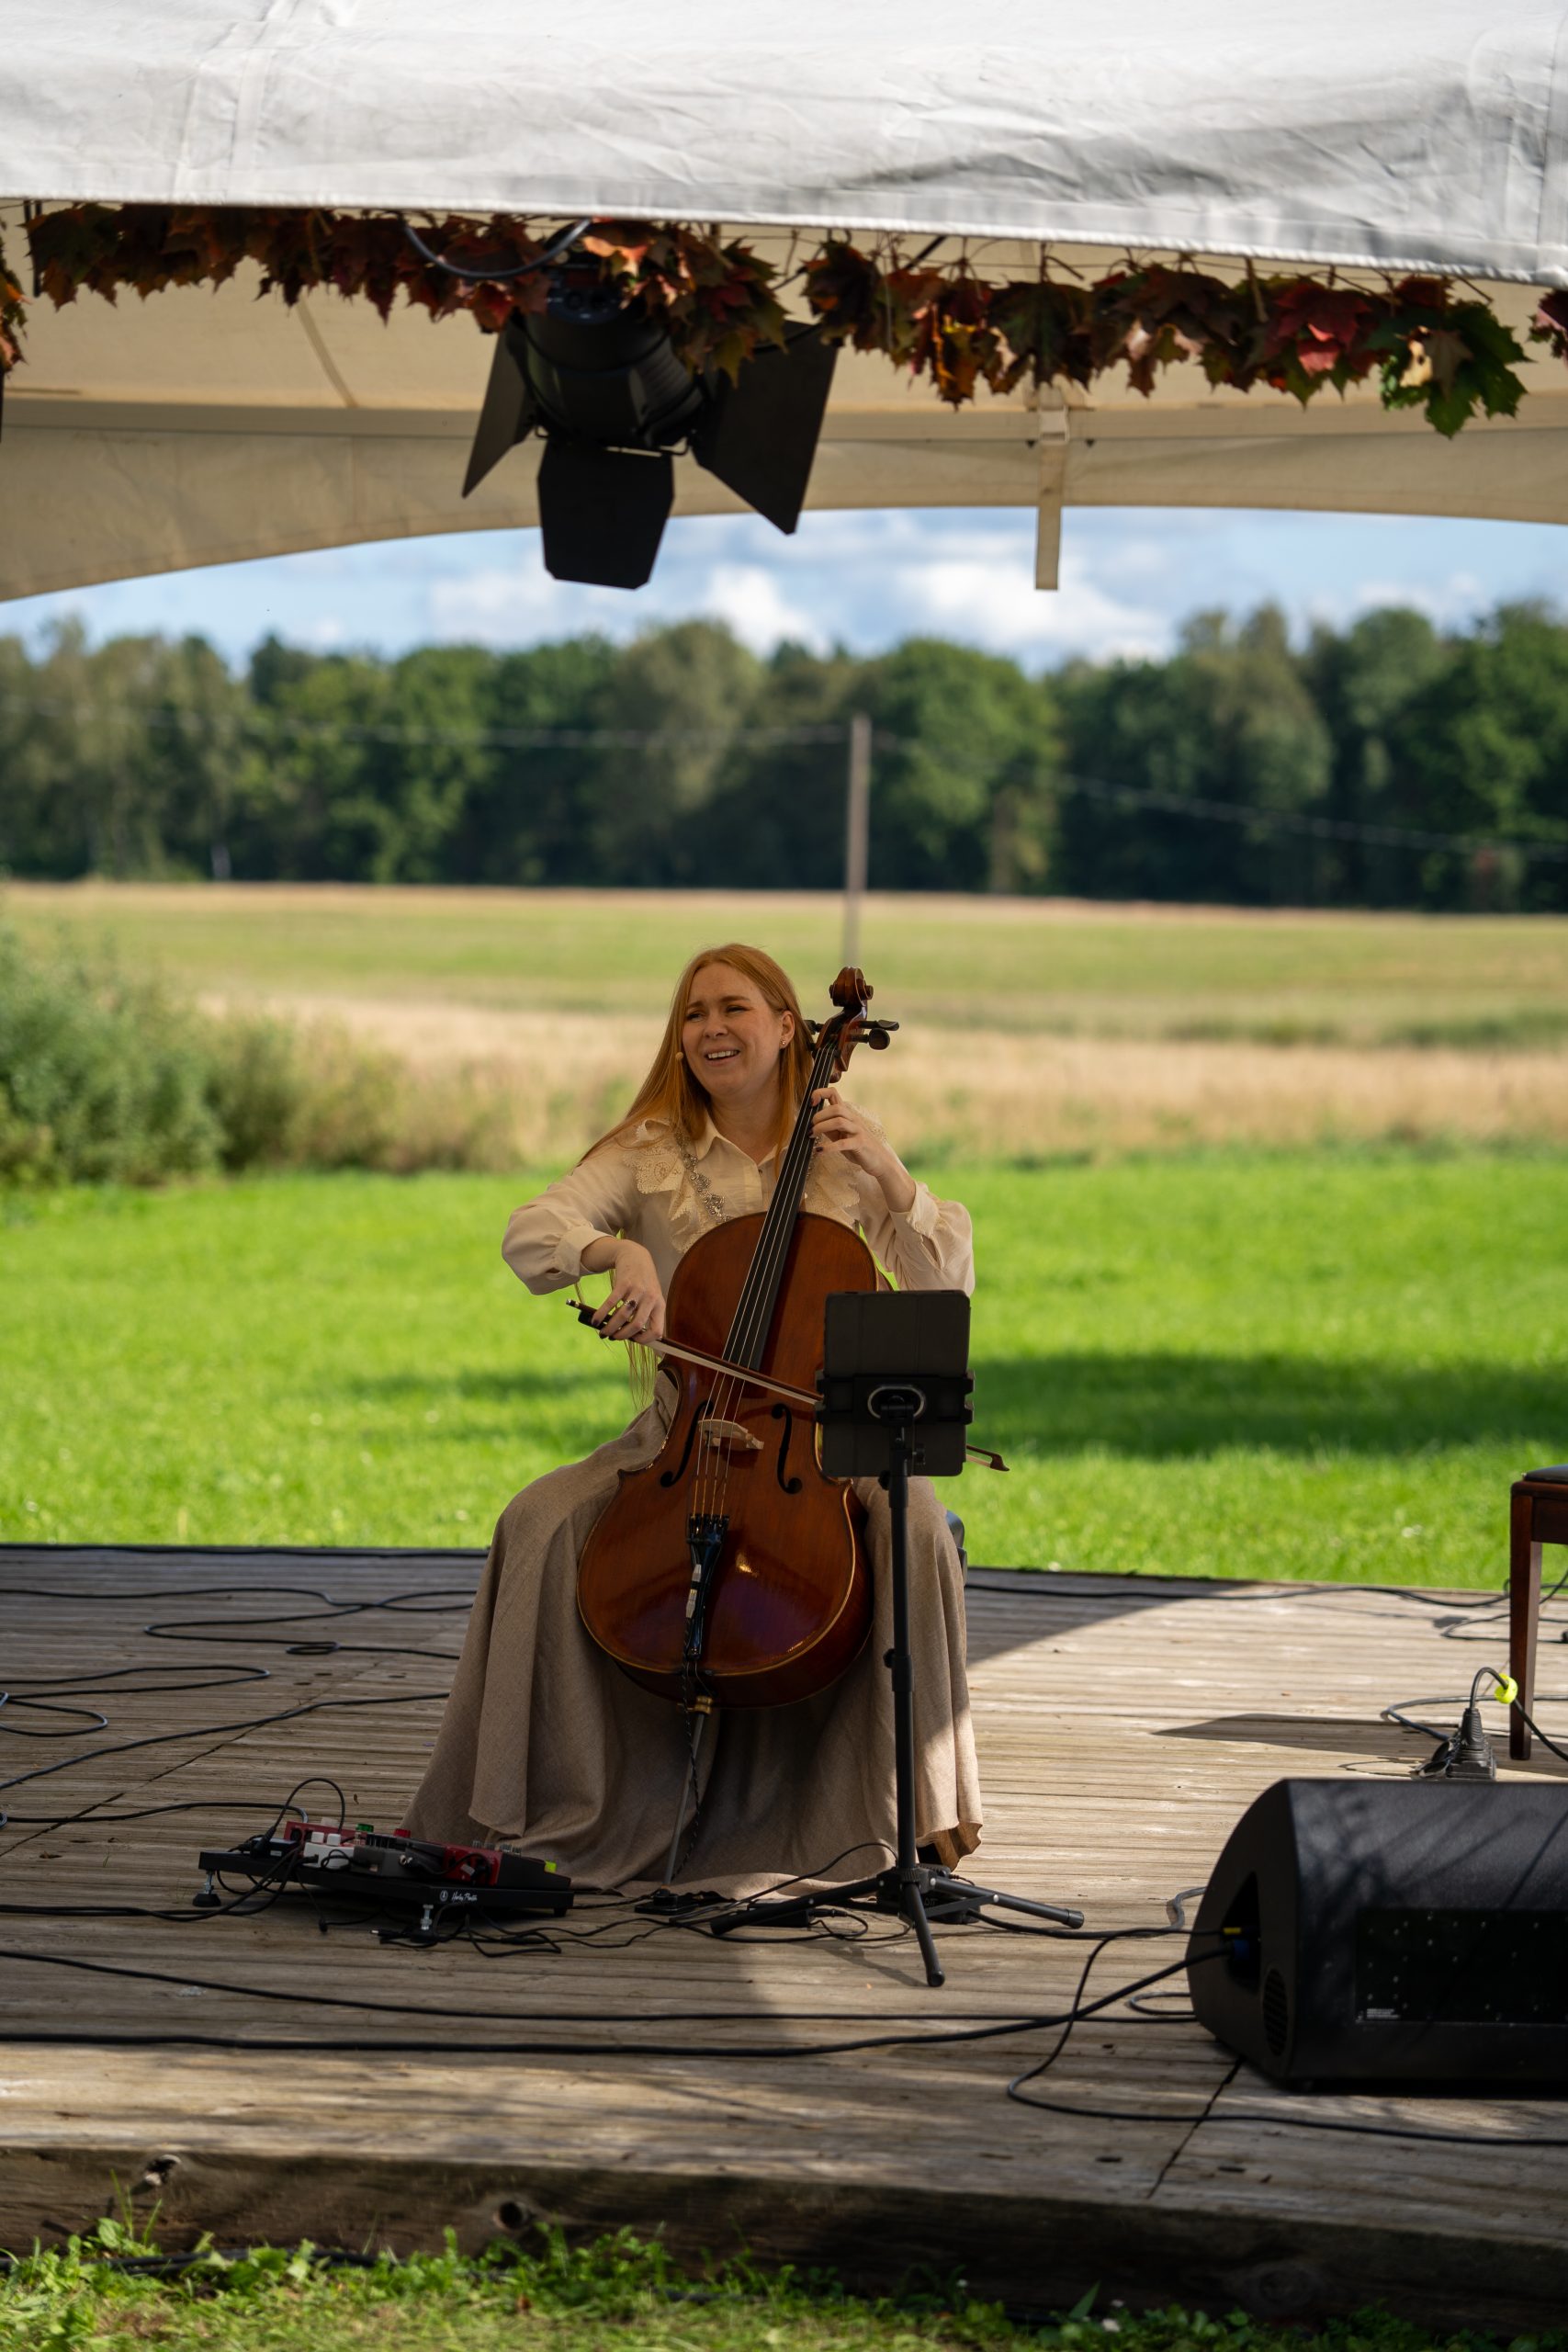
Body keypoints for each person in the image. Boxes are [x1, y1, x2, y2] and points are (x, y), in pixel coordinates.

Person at [402, 943, 982, 1894]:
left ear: (789, 1027)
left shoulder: (845, 1149)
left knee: (916, 1526)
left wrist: (892, 1178)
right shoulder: (650, 1150)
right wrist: (616, 1252)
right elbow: (531, 1229)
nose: (710, 1028)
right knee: (538, 1520)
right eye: (693, 1012)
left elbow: (942, 1290)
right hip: (686, 1430)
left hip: (824, 1439)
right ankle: (515, 1804)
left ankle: (913, 1817)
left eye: (733, 1008)